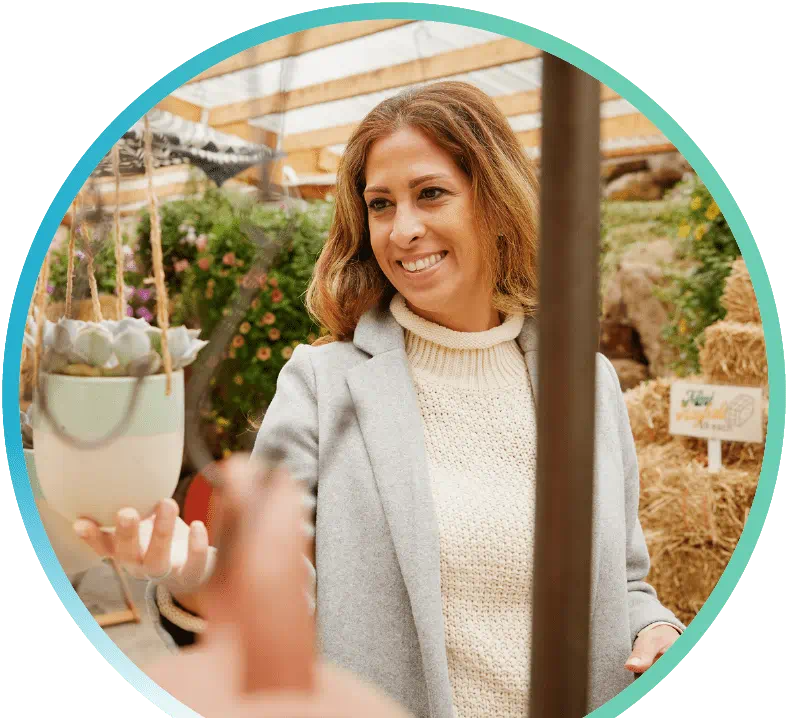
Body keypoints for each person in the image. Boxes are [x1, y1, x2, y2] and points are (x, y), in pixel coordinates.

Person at [75, 81, 683, 718]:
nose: (404, 229)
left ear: (495, 203)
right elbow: (278, 584)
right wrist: (190, 573)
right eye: (381, 204)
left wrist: (655, 628)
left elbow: (625, 580)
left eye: (431, 194)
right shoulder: (322, 384)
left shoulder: (586, 384)